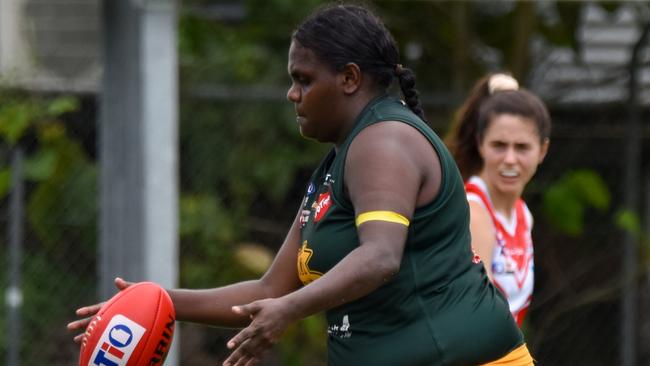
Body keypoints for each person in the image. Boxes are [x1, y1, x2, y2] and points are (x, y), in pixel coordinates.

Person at [69, 5, 534, 365]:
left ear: (350, 78)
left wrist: (291, 310)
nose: (292, 93)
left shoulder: (384, 140)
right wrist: (159, 301)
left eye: (303, 79)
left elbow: (380, 256)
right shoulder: (337, 163)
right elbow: (271, 288)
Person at [445, 73, 551, 327]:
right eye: (499, 145)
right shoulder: (473, 212)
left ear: (543, 150)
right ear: (481, 144)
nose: (510, 159)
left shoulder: (523, 214)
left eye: (522, 147)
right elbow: (479, 321)